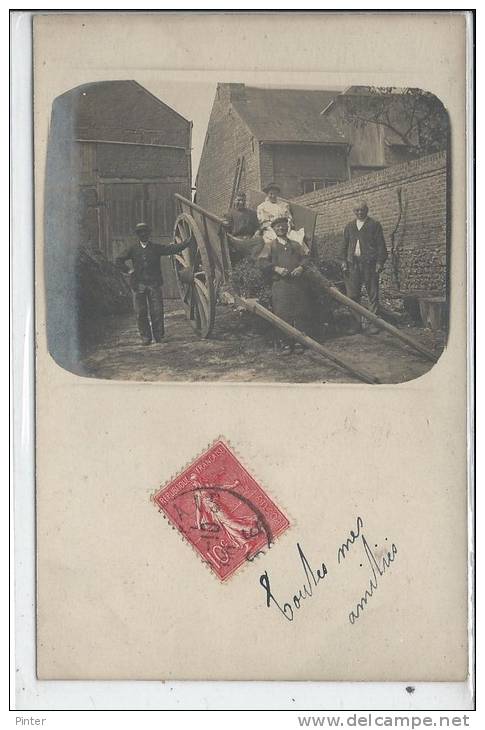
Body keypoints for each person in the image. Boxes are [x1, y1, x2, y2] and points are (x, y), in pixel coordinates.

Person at [116, 222, 190, 345]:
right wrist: (129, 270)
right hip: (138, 285)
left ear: (149, 234)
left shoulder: (155, 248)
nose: (143, 234)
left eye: (145, 232)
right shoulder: (133, 249)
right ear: (138, 235)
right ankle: (145, 337)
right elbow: (118, 260)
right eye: (140, 233)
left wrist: (185, 244)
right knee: (141, 312)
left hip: (154, 285)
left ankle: (159, 336)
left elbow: (170, 249)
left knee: (157, 311)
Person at [258, 216, 313, 354]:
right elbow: (262, 262)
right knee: (282, 313)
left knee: (300, 311)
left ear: (288, 228)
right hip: (280, 284)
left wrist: (301, 268)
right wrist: (276, 268)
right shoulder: (270, 245)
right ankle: (285, 343)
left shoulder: (296, 244)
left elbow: (306, 258)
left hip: (297, 283)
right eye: (278, 227)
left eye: (283, 226)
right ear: (274, 230)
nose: (281, 228)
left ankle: (301, 341)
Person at [340, 200, 388, 335]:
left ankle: (374, 324)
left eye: (362, 210)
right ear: (353, 212)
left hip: (369, 264)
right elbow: (344, 245)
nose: (360, 213)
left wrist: (379, 262)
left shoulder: (374, 225)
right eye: (357, 210)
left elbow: (380, 245)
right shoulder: (349, 226)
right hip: (352, 264)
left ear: (367, 210)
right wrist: (343, 261)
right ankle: (356, 324)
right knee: (352, 295)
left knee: (372, 294)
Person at [257, 182, 309, 252]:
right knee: (273, 240)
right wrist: (273, 227)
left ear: (277, 194)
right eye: (271, 194)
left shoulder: (284, 205)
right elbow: (263, 222)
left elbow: (289, 218)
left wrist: (288, 225)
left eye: (275, 193)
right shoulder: (262, 207)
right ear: (267, 194)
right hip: (271, 229)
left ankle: (300, 256)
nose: (273, 196)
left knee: (296, 238)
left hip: (285, 228)